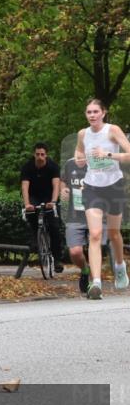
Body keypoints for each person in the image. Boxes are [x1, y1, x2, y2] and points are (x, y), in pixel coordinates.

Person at [74, 98, 130, 299]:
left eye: (95, 112)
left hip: (114, 185)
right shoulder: (83, 134)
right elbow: (79, 152)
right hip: (92, 187)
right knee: (95, 234)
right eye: (88, 112)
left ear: (103, 113)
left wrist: (107, 154)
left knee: (114, 233)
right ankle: (96, 283)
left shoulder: (112, 130)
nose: (92, 115)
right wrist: (80, 160)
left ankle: (119, 265)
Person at [20, 142, 63, 274]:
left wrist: (54, 201)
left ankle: (57, 260)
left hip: (49, 196)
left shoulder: (53, 167)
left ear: (46, 155)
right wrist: (27, 204)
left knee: (55, 227)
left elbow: (56, 186)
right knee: (31, 214)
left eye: (42, 154)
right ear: (34, 154)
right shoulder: (27, 167)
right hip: (34, 196)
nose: (40, 157)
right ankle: (36, 238)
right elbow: (25, 187)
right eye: (37, 154)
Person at [60, 153, 93, 293]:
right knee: (75, 252)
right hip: (74, 215)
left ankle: (95, 282)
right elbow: (63, 180)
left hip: (94, 213)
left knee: (94, 246)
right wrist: (63, 189)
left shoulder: (97, 164)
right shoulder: (70, 163)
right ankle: (85, 270)